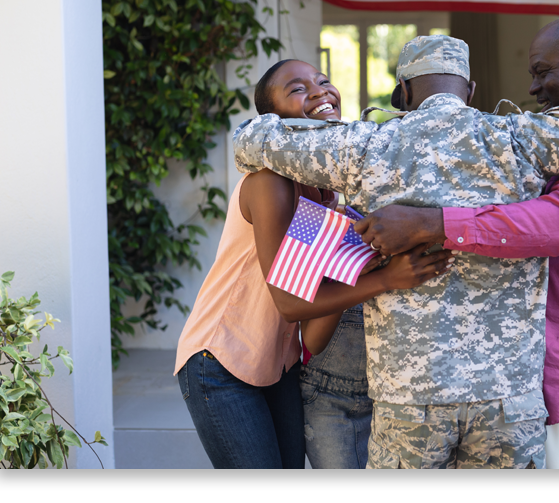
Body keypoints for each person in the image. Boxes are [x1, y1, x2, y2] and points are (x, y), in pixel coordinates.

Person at [232, 35, 559, 469]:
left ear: (403, 92)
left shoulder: (362, 146)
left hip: (409, 397)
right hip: (508, 399)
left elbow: (249, 140)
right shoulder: (519, 136)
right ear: (471, 90)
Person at [352, 15, 559, 468]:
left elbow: (557, 222)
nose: (533, 89)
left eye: (542, 73)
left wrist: (432, 223)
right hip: (509, 380)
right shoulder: (557, 138)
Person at [174, 58, 453, 469]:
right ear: (273, 120)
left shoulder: (326, 193)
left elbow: (314, 336)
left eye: (322, 81)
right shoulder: (270, 182)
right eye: (298, 89)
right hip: (219, 361)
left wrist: (364, 263)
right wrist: (387, 280)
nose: (320, 90)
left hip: (277, 365)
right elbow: (289, 302)